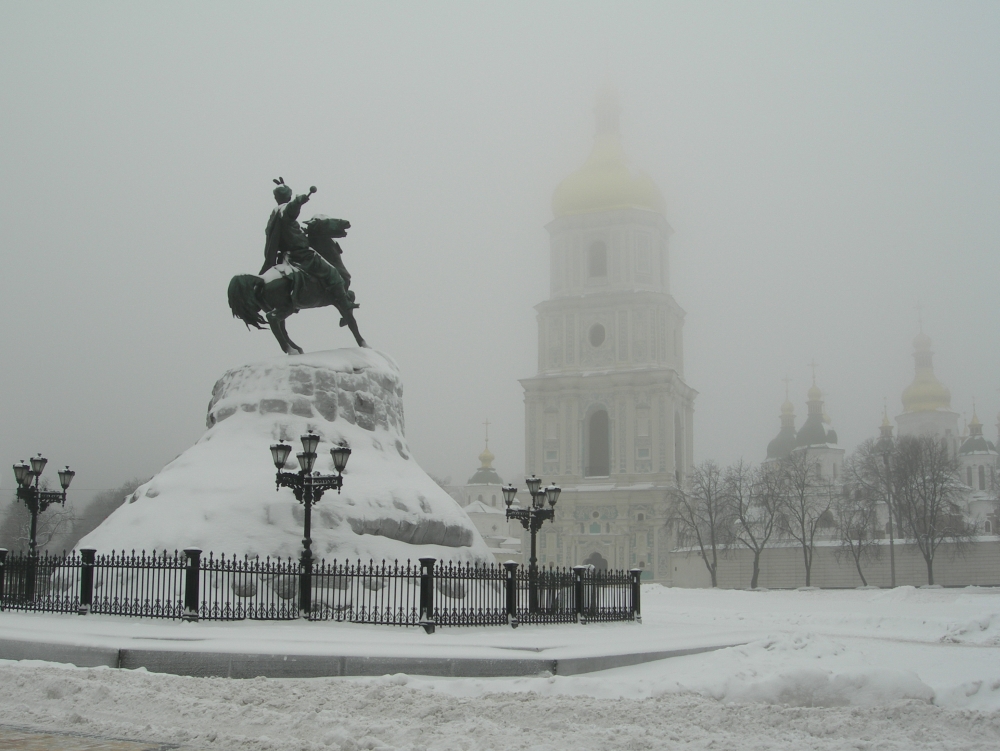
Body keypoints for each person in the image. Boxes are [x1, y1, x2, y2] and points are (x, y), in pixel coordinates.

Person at [260, 178, 345, 298]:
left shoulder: (275, 214)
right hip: (302, 254)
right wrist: (299, 201)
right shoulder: (284, 210)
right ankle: (344, 302)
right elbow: (290, 210)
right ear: (288, 197)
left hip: (286, 254)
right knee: (332, 272)